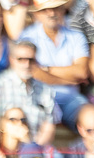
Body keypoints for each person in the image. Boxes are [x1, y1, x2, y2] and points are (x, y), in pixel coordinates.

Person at [19, 0, 89, 128]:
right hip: (39, 97)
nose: (51, 13)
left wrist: (46, 69)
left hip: (70, 98)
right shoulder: (27, 36)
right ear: (37, 14)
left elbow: (82, 72)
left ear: (63, 10)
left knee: (92, 118)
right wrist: (69, 80)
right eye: (46, 10)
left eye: (56, 8)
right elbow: (32, 72)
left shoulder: (76, 36)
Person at [0, 39, 57, 144]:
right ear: (11, 60)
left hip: (36, 151)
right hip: (6, 148)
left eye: (31, 60)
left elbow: (49, 128)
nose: (27, 64)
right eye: (21, 59)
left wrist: (33, 148)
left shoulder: (45, 89)